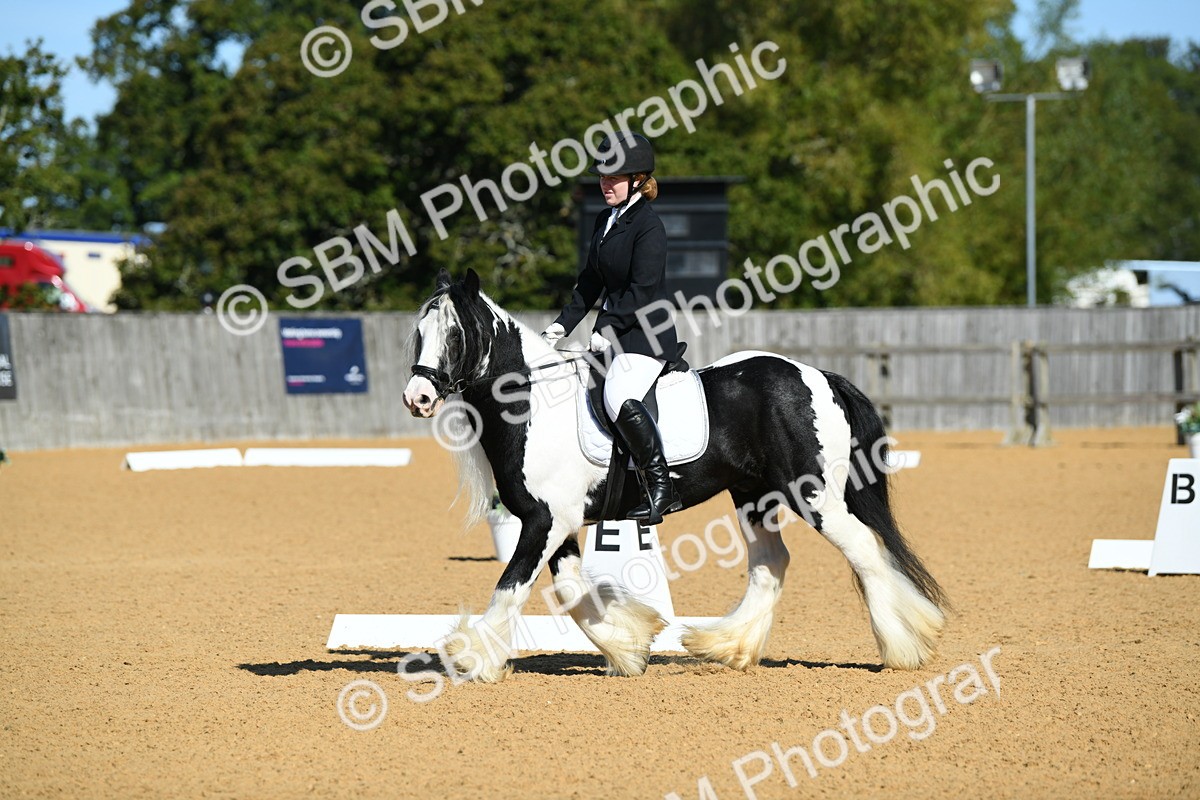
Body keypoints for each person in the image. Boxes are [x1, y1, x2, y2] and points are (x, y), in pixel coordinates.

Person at [541, 131, 682, 525]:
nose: (605, 184)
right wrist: (560, 327)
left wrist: (606, 324)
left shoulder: (649, 227)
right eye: (602, 177)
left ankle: (661, 487)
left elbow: (642, 289)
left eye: (613, 178)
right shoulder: (606, 220)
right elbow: (589, 283)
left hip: (644, 338)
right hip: (614, 334)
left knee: (619, 395)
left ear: (638, 179)